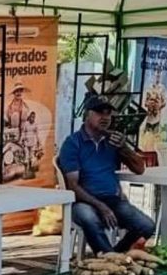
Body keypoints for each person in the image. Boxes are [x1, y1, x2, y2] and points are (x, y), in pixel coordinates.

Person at [58, 95, 156, 254]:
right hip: (83, 201)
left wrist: (124, 148)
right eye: (99, 113)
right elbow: (72, 185)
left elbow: (139, 169)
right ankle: (109, 257)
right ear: (87, 115)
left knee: (146, 225)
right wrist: (100, 206)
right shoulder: (73, 143)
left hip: (112, 200)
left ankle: (114, 256)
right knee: (90, 218)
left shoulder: (112, 141)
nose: (105, 118)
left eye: (108, 113)